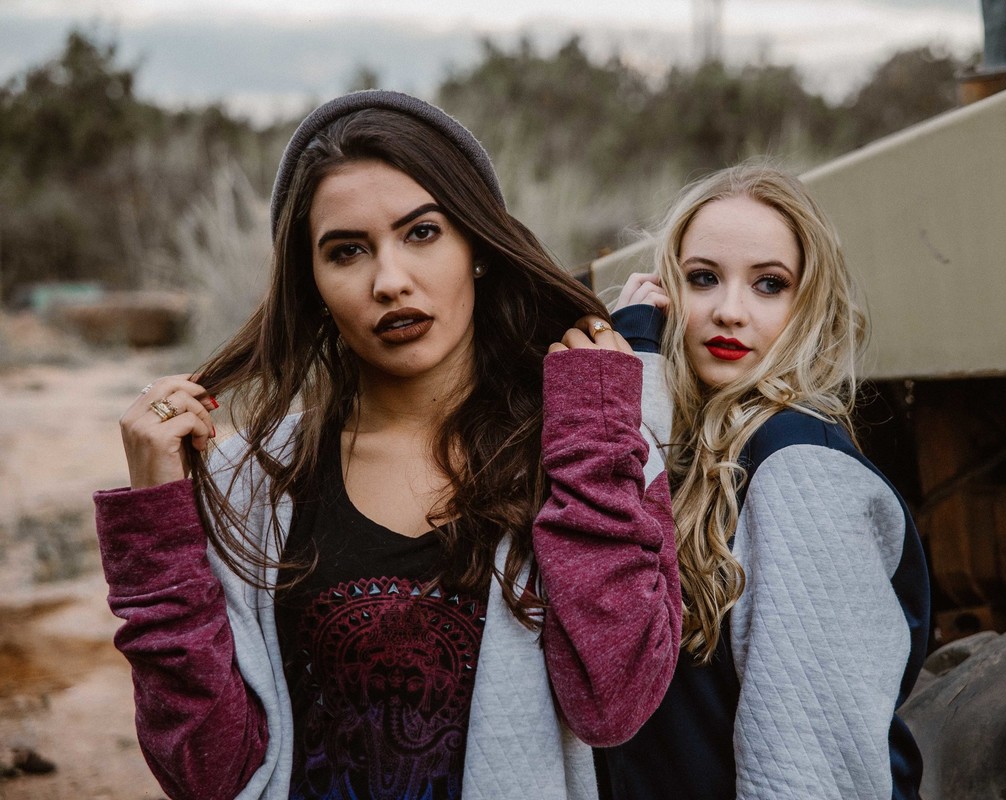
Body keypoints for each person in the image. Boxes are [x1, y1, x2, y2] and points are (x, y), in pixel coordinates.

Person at [93, 90, 681, 800]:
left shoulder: (590, 452)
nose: (390, 281)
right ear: (312, 284)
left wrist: (592, 434)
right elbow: (209, 776)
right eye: (347, 251)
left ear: (480, 250)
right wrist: (158, 517)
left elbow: (612, 706)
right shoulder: (250, 484)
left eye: (423, 233)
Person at [603, 164, 930, 799]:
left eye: (769, 285)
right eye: (702, 279)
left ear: (809, 305)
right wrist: (635, 356)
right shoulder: (689, 451)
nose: (729, 311)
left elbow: (804, 766)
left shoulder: (800, 468)